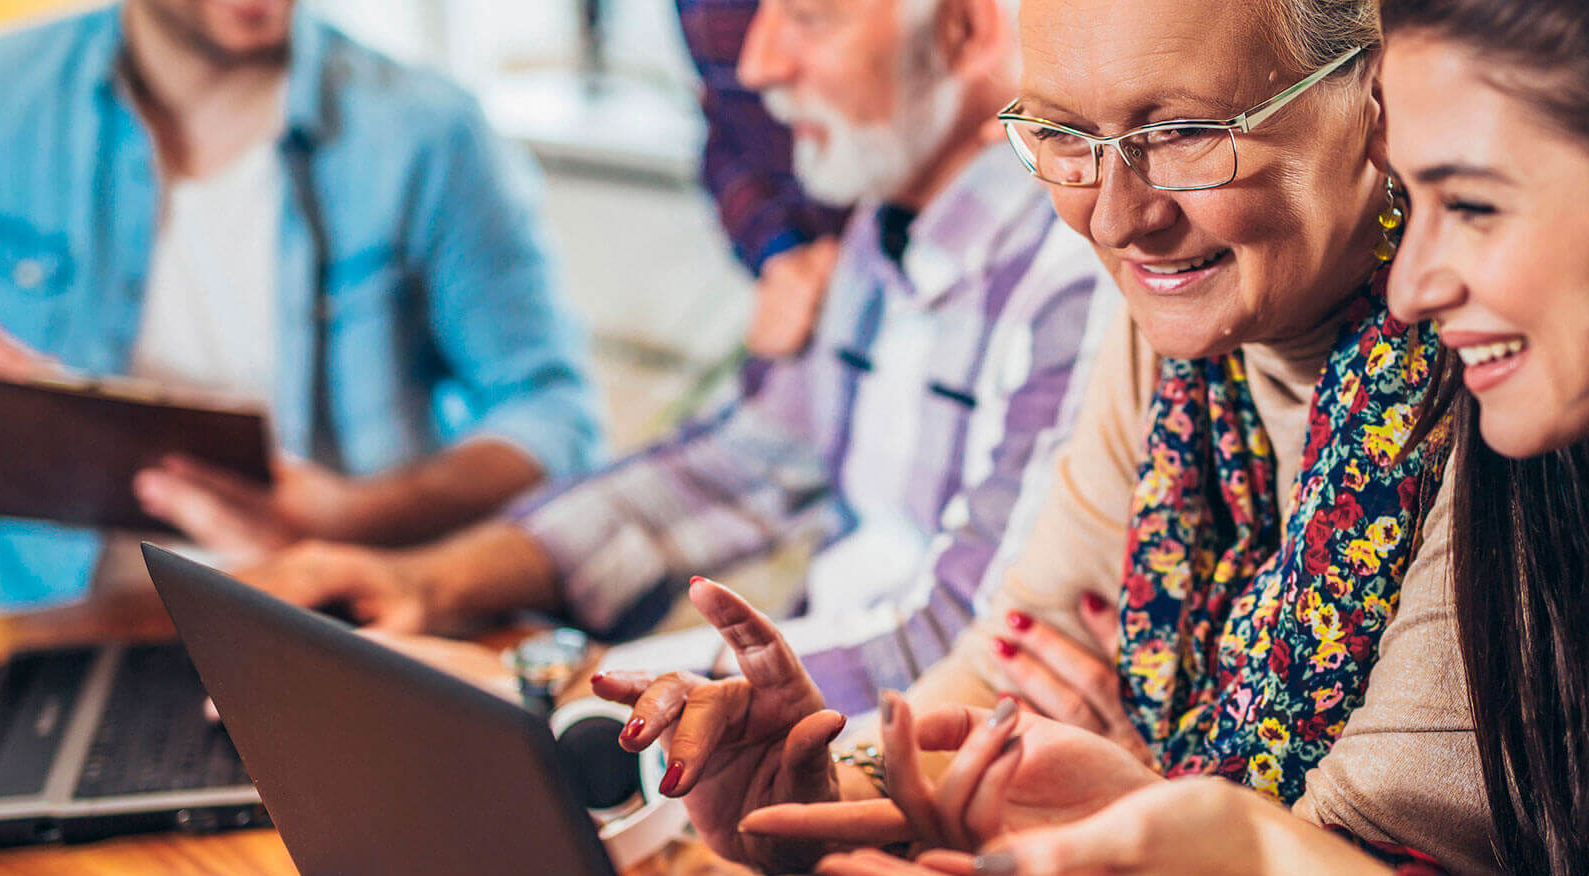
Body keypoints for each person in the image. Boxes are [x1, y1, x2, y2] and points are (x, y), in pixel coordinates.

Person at [804, 0, 1589, 876]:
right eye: (1415, 201)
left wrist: (1248, 851)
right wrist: (1174, 827)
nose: (1411, 286)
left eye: (1468, 205)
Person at [589, 0, 1504, 873]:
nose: (1113, 218)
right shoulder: (1178, 338)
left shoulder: (1503, 379)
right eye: (1065, 135)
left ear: (1380, 98)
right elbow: (1013, 662)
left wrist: (1121, 799)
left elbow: (1369, 849)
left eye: (1185, 133)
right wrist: (823, 783)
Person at [237, 0, 1110, 716]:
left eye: (807, 18)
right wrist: (423, 582)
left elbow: (969, 644)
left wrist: (557, 695)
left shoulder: (1080, 283)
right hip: (805, 733)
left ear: (967, 29)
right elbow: (728, 473)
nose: (759, 65)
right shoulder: (879, 238)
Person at [0, 0, 603, 608]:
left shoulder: (427, 131)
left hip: (321, 628)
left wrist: (356, 516)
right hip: (29, 624)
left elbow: (553, 416)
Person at [675, 0, 850, 358]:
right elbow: (722, 126)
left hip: (944, 265)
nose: (756, 68)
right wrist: (779, 251)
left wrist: (870, 242)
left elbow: (994, 84)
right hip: (807, 300)